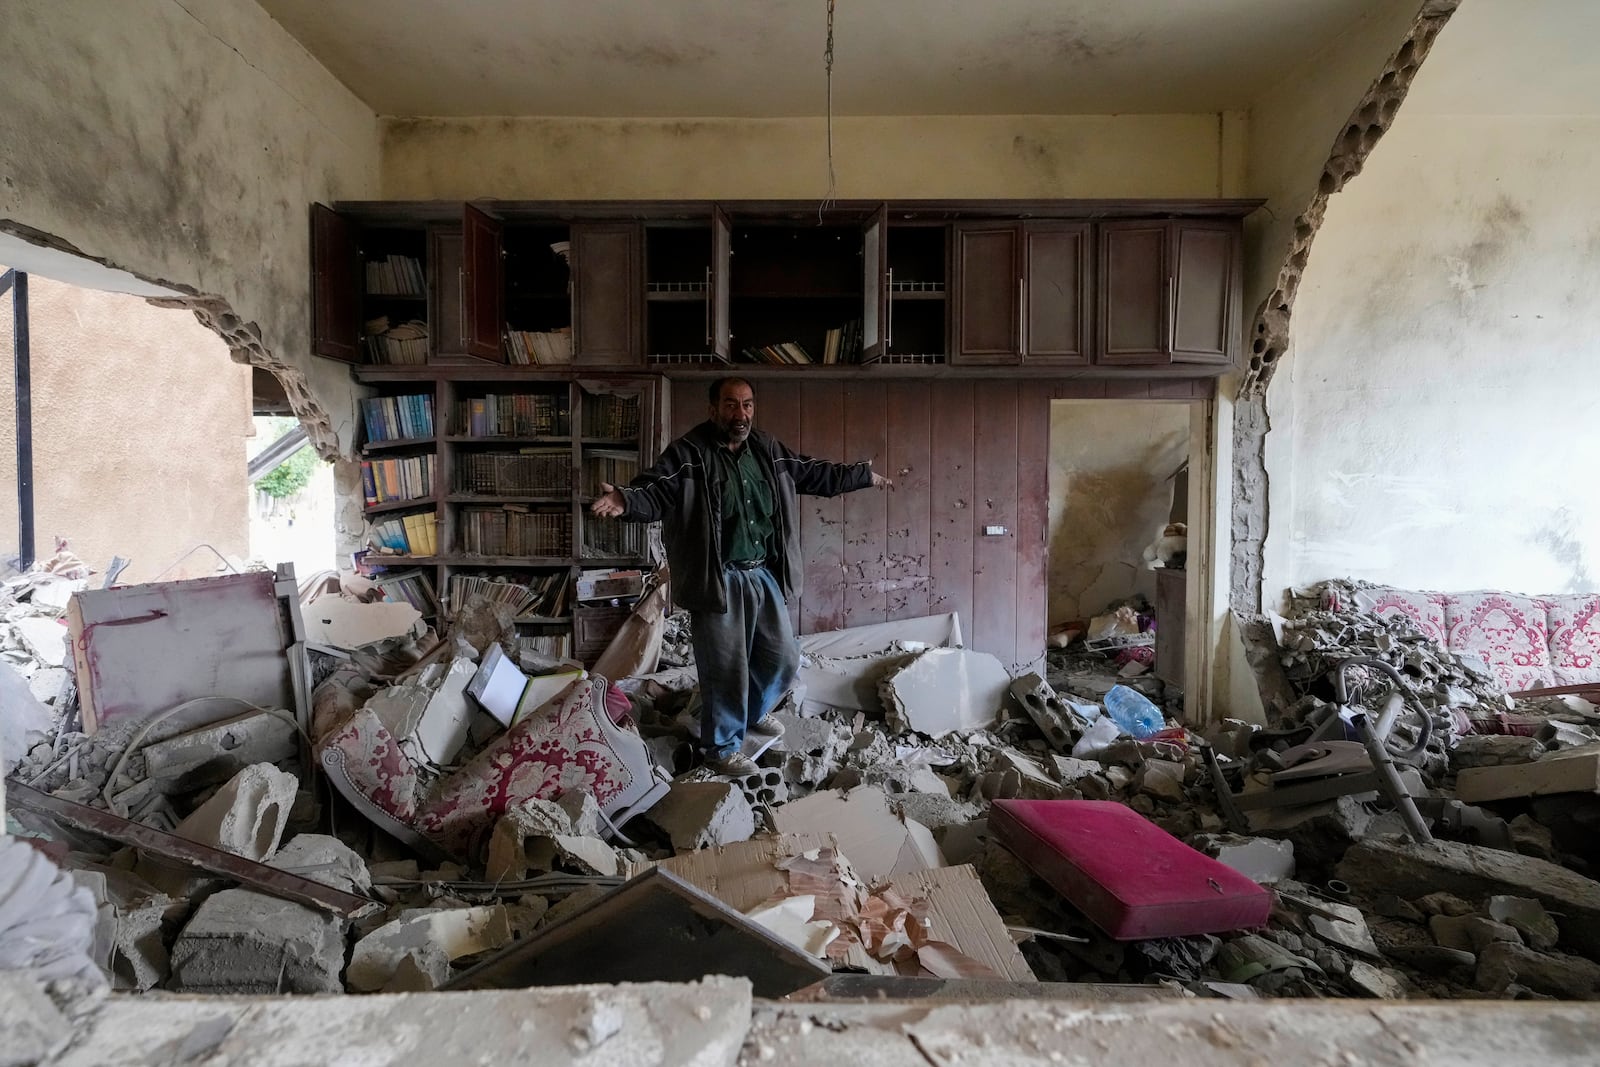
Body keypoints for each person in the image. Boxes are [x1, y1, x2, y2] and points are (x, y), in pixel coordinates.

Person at [590, 376, 891, 775]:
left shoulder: (767, 450)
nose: (741, 414)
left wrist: (861, 476)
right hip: (717, 578)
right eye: (731, 405)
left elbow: (812, 473)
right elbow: (656, 490)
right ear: (713, 409)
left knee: (783, 659)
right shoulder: (688, 454)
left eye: (747, 405)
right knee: (725, 669)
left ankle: (747, 714)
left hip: (762, 573)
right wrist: (625, 499)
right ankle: (719, 748)